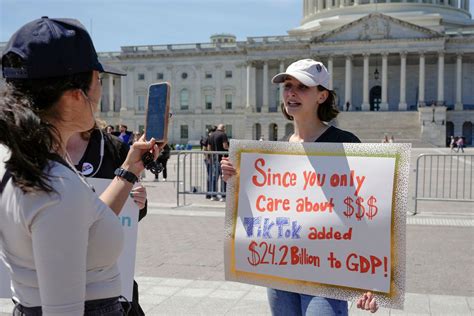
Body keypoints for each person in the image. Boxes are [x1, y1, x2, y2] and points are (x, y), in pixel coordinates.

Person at [0, 17, 160, 315]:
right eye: (98, 80)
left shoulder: (24, 160)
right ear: (76, 96)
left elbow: (81, 221)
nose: (102, 92)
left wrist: (129, 169)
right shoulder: (55, 185)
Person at [220, 59, 378, 315]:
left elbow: (366, 211)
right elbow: (269, 207)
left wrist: (370, 277)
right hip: (282, 267)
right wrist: (236, 180)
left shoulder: (345, 143)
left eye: (302, 87)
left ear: (322, 96)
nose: (291, 92)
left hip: (328, 271)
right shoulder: (278, 147)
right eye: (287, 86)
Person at [67, 125, 148, 316]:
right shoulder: (35, 145)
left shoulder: (113, 148)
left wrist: (140, 202)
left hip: (109, 279)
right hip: (51, 284)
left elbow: (134, 212)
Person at [208, 124, 229, 202]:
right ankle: (223, 196)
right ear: (223, 128)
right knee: (223, 177)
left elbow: (209, 148)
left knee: (214, 177)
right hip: (222, 158)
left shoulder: (211, 135)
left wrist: (210, 157)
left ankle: (213, 195)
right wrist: (230, 148)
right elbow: (225, 146)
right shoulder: (223, 135)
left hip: (214, 159)